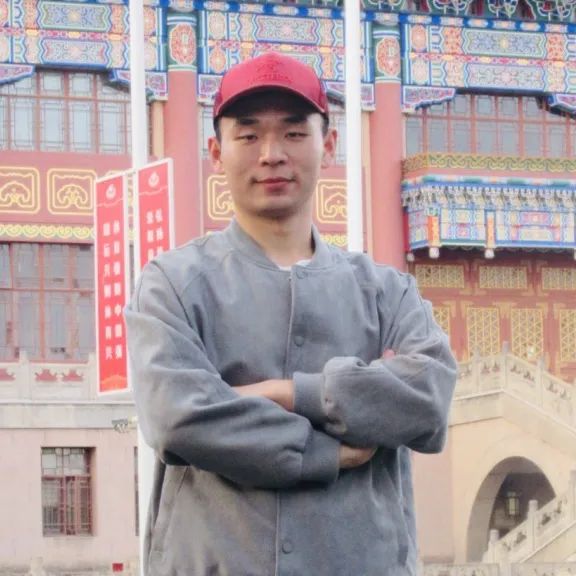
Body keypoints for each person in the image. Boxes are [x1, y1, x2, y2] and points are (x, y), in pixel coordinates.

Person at [125, 52, 457, 576]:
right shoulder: (173, 285)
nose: (272, 154)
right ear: (217, 152)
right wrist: (329, 449)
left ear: (328, 144)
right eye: (249, 135)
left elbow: (428, 398)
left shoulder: (386, 292)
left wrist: (287, 393)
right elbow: (178, 418)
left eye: (295, 134)